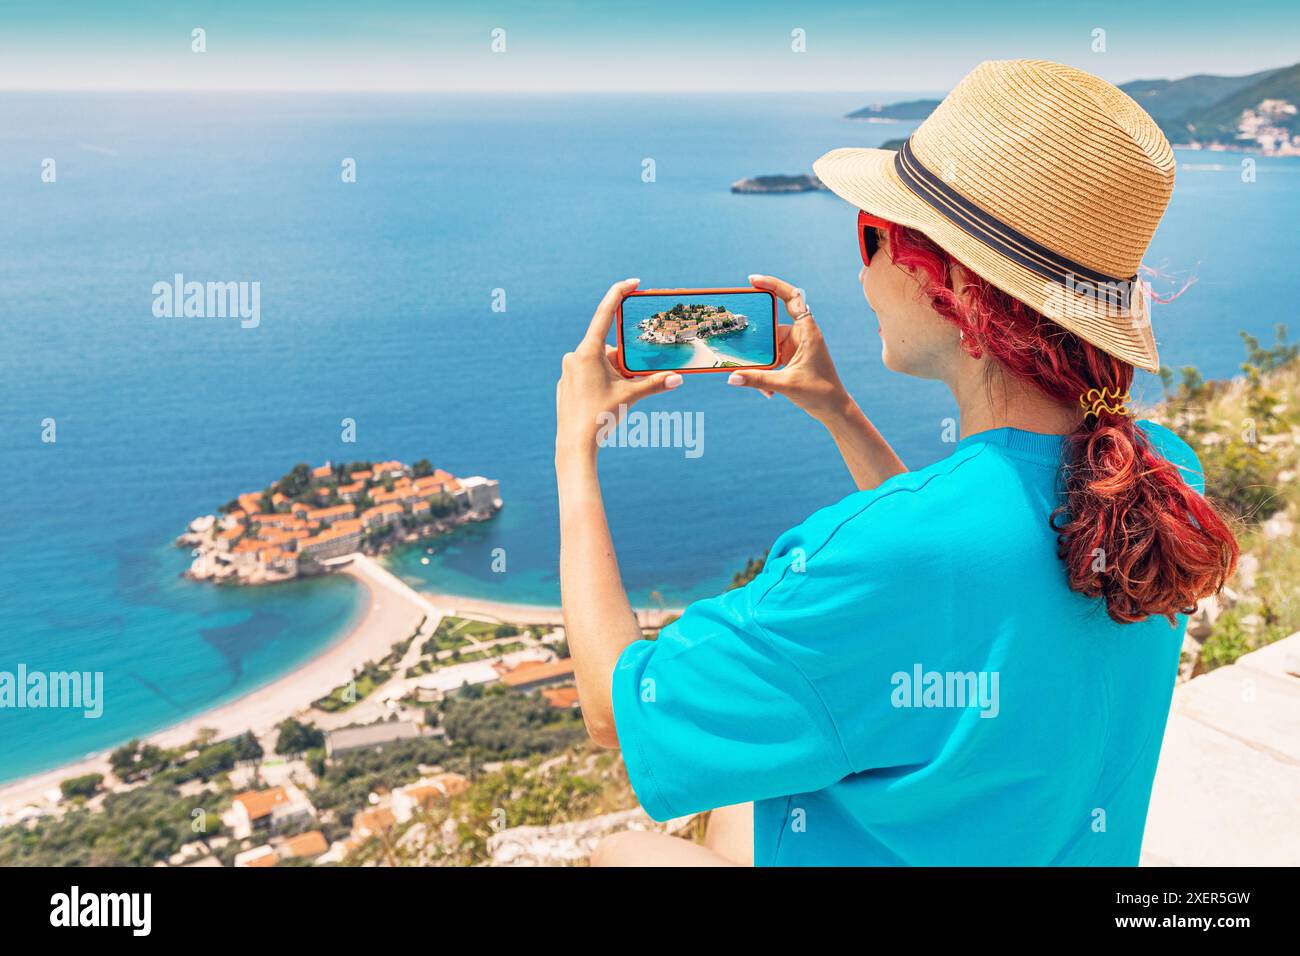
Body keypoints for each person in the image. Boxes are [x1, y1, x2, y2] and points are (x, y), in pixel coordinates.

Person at [553, 59, 1238, 866]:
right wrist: (838, 411)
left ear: (949, 283)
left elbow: (614, 709)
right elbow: (968, 575)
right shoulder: (1160, 484)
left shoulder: (875, 553)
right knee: (738, 805)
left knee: (628, 854)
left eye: (872, 236)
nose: (860, 268)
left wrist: (575, 449)